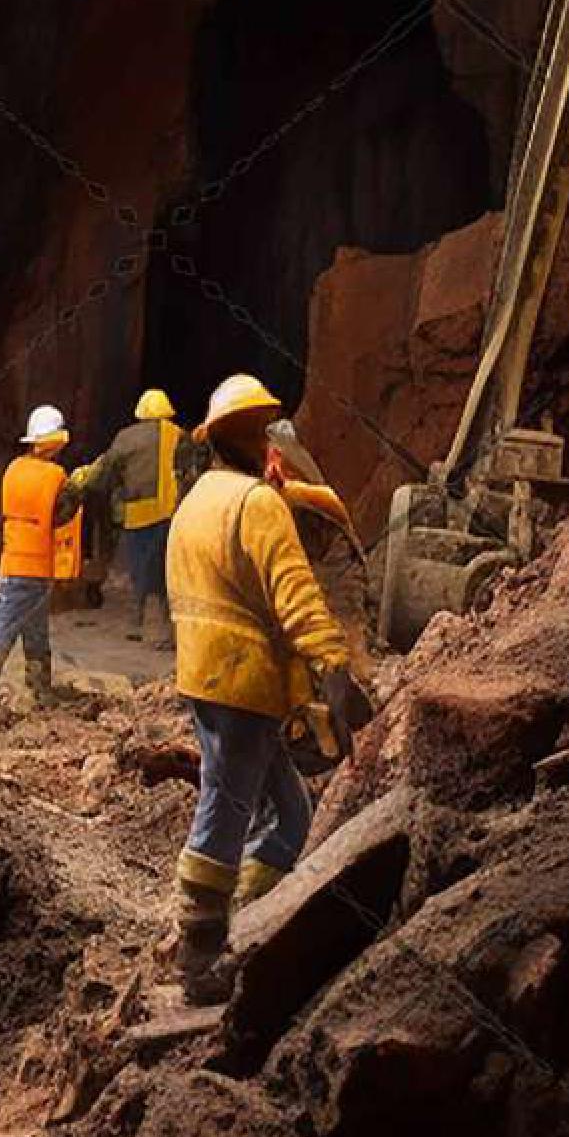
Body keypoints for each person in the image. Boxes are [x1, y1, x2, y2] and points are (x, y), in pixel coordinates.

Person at [163, 373, 364, 1001]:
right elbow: (295, 595)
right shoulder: (255, 506)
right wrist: (333, 667)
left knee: (289, 816)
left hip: (205, 675)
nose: (271, 438)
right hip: (243, 683)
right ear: (253, 436)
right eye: (265, 429)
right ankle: (199, 958)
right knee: (224, 807)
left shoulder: (198, 499)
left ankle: (243, 923)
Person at [0, 406, 83, 715]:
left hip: (13, 561)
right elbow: (62, 515)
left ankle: (38, 689)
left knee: (25, 627)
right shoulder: (56, 477)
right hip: (38, 566)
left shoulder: (13, 470)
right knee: (11, 628)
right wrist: (79, 488)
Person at [85, 388, 187, 648]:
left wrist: (97, 489)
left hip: (138, 515)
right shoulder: (180, 436)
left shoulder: (127, 438)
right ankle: (168, 629)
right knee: (168, 573)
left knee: (139, 570)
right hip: (173, 516)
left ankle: (137, 622)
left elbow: (107, 471)